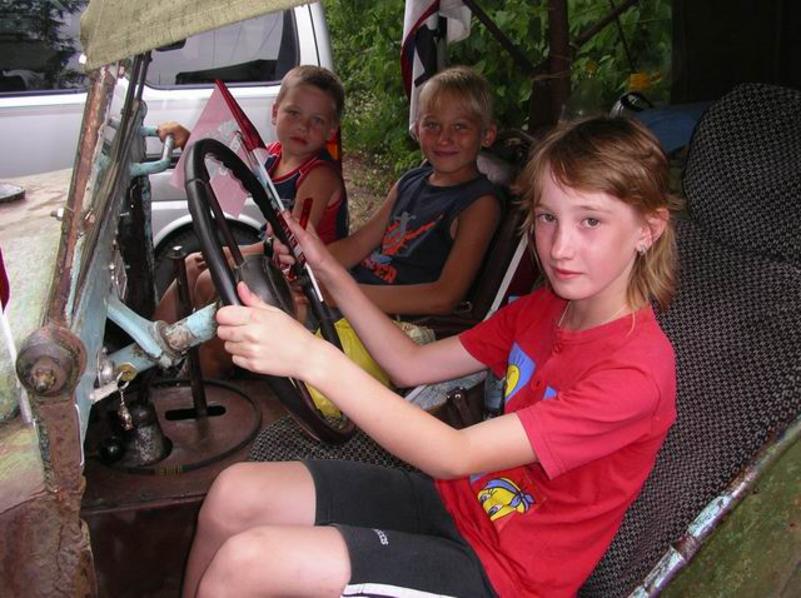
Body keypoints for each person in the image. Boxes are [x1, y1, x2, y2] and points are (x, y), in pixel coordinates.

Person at [181, 115, 682, 597]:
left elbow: (453, 453)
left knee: (246, 564)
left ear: (648, 229)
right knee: (233, 495)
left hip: (504, 576)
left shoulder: (635, 373)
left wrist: (309, 357)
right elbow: (410, 364)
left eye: (590, 221)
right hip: (455, 501)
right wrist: (326, 267)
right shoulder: (545, 308)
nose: (559, 249)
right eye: (548, 218)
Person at [153, 64, 348, 324]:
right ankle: (153, 343)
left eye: (317, 120)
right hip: (275, 258)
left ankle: (207, 349)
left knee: (209, 279)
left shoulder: (318, 176)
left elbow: (295, 245)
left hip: (309, 286)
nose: (303, 126)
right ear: (275, 113)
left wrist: (234, 253)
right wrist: (188, 139)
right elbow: (227, 169)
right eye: (294, 113)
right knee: (191, 264)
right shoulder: (273, 154)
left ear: (331, 130)